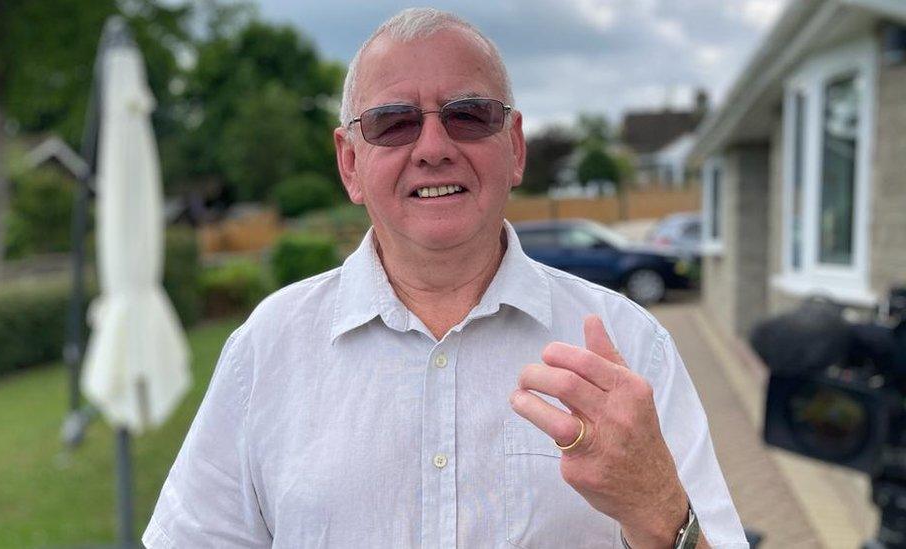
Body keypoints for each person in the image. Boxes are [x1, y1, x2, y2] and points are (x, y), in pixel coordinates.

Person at [144, 8, 748, 548]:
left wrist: (660, 511)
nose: (433, 147)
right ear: (350, 163)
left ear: (514, 147)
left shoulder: (629, 348)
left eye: (468, 115)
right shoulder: (268, 347)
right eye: (392, 123)